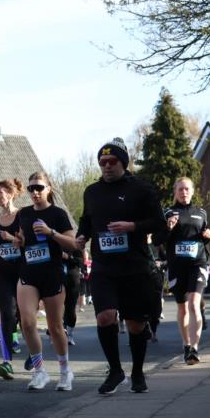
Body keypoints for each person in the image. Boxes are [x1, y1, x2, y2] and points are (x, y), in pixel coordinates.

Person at [76, 138, 166, 395]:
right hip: (104, 267)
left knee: (136, 325)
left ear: (123, 163)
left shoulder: (141, 189)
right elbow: (86, 220)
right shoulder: (91, 191)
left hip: (135, 267)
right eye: (102, 162)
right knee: (105, 317)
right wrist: (82, 236)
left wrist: (132, 227)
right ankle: (115, 370)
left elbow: (158, 223)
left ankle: (137, 372)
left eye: (112, 161)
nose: (106, 166)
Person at [12, 172, 77, 391]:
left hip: (52, 273)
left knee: (55, 327)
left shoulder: (58, 214)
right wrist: (18, 241)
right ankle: (40, 372)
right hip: (29, 272)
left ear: (48, 188)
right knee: (27, 322)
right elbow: (22, 237)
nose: (35, 192)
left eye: (39, 187)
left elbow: (73, 244)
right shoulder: (25, 213)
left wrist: (51, 233)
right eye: (31, 189)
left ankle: (65, 371)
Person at [0, 178, 24, 379]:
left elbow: (27, 242)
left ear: (10, 194)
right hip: (3, 270)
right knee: (7, 312)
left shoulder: (22, 215)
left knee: (25, 316)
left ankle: (34, 355)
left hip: (22, 269)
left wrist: (13, 239)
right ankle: (7, 361)